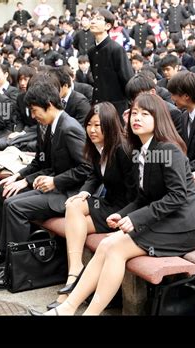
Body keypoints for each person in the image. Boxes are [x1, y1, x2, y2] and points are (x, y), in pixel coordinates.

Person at [31, 93, 195, 315]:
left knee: (115, 249)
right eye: (134, 113)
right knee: (107, 244)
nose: (137, 118)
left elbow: (177, 197)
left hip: (185, 226)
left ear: (159, 118)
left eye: (145, 114)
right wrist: (123, 214)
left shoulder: (167, 149)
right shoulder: (140, 150)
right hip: (166, 220)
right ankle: (67, 308)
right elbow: (143, 197)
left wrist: (135, 219)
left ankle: (88, 313)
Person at [0, 80, 91, 286]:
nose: (33, 116)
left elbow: (87, 169)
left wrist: (55, 181)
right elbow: (39, 162)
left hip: (70, 194)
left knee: (14, 206)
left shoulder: (69, 128)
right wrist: (19, 177)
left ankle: (17, 267)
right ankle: (3, 255)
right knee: (2, 191)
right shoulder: (47, 126)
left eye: (35, 111)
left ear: (50, 105)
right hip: (51, 183)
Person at [47, 102, 136, 310]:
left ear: (110, 125)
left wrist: (123, 216)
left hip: (124, 209)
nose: (92, 130)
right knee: (74, 206)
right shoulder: (97, 147)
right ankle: (75, 268)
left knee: (74, 215)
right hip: (108, 203)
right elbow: (93, 176)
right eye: (89, 125)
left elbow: (135, 194)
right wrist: (84, 192)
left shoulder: (123, 150)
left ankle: (71, 283)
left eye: (98, 125)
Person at [88, 9, 134, 118]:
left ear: (108, 26)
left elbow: (128, 79)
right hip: (97, 105)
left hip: (116, 108)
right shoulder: (91, 51)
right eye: (92, 18)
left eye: (98, 19)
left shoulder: (116, 49)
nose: (93, 21)